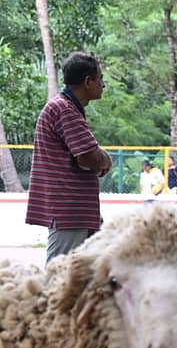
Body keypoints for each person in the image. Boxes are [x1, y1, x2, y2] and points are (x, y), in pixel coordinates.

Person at [26, 51, 112, 264]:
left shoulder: (66, 107)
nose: (103, 84)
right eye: (100, 79)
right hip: (69, 209)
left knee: (92, 268)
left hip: (78, 209)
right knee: (59, 272)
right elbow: (88, 156)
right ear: (87, 82)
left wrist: (99, 157)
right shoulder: (65, 109)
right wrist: (104, 159)